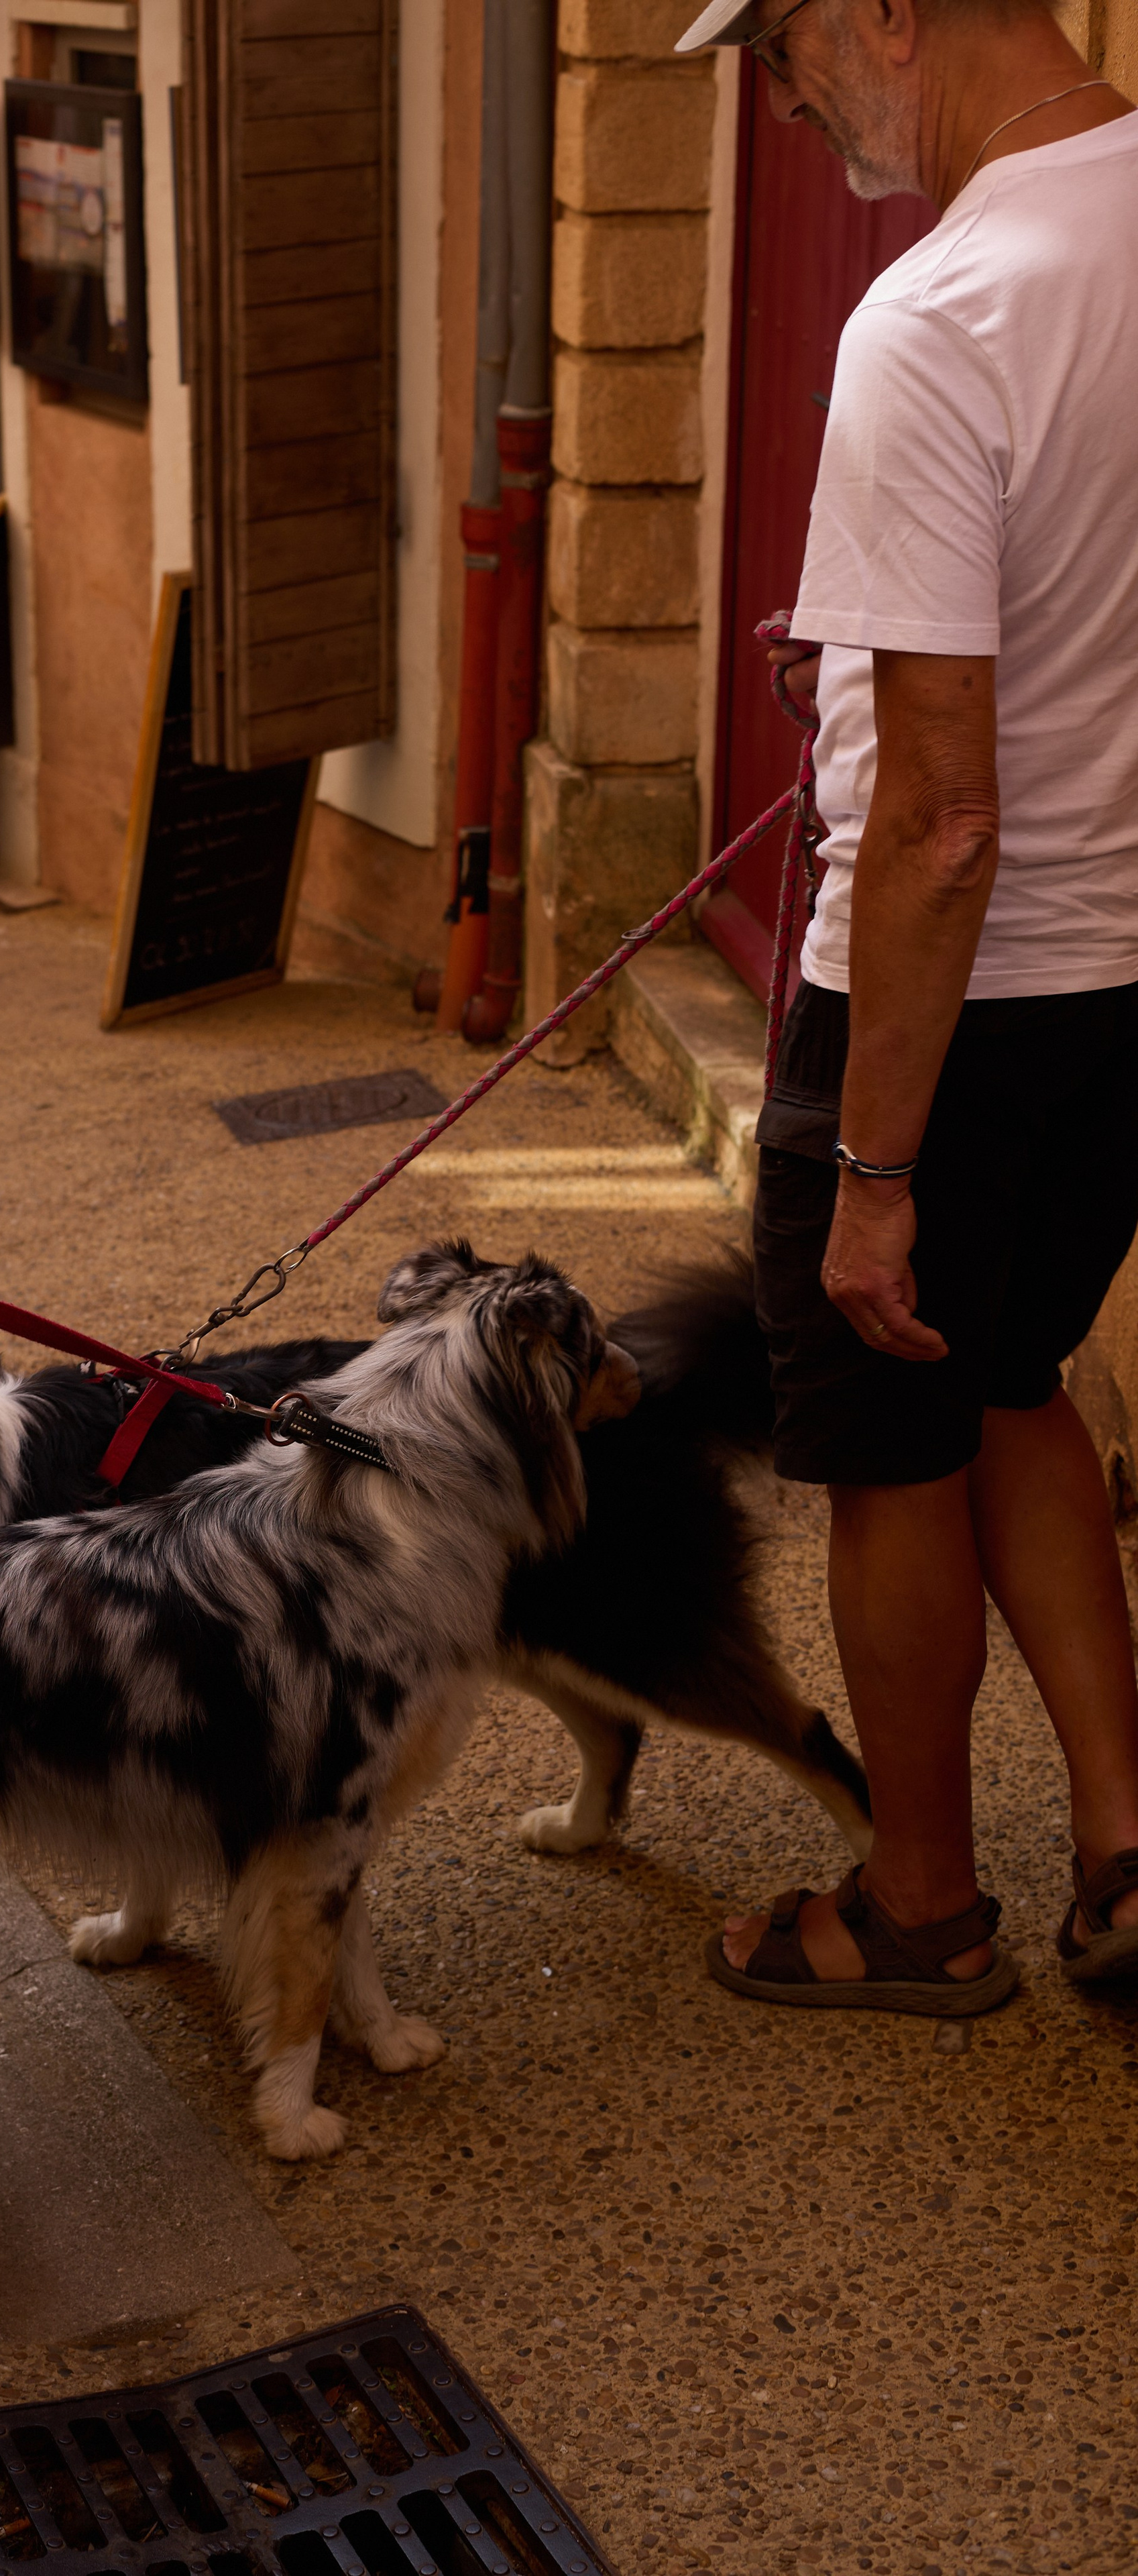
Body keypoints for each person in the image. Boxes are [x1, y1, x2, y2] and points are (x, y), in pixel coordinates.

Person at [673, 0, 1138, 2012]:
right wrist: (856, 672)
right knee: (1019, 1375)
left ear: (884, 10)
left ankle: (917, 1902)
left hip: (957, 994)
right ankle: (1124, 1845)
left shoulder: (937, 308)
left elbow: (943, 823)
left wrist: (870, 1164)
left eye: (778, 50)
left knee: (888, 1432)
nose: (778, 103)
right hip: (1122, 972)